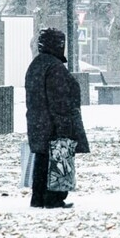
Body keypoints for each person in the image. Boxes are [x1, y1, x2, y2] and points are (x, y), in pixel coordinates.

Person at [25, 28, 90, 209]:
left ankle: (38, 197)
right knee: (58, 159)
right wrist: (65, 127)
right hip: (54, 123)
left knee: (42, 159)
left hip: (38, 122)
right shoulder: (55, 68)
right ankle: (54, 198)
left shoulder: (36, 65)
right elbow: (60, 100)